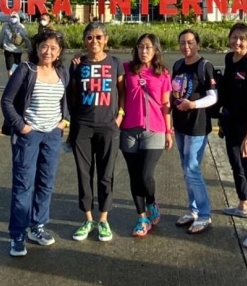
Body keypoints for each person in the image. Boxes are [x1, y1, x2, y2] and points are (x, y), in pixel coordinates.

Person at [1, 30, 70, 257]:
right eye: (44, 46)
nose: (48, 51)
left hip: (52, 135)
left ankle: (38, 226)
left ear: (59, 52)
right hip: (28, 136)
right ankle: (18, 235)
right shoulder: (25, 70)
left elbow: (66, 99)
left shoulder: (61, 72)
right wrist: (21, 126)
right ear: (36, 47)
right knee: (23, 186)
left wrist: (64, 121)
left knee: (45, 183)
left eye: (53, 48)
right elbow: (7, 101)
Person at [67, 21, 124, 242]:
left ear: (106, 39)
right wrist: (71, 120)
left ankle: (103, 220)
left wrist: (120, 115)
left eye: (99, 37)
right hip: (83, 126)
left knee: (106, 174)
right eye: (90, 37)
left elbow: (122, 92)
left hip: (108, 126)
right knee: (84, 174)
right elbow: (71, 95)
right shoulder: (77, 64)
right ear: (84, 40)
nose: (94, 41)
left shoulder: (115, 64)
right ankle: (88, 218)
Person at [218, 22, 247, 249]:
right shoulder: (230, 59)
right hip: (231, 123)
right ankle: (243, 205)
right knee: (236, 165)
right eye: (234, 37)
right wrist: (222, 121)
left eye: (242, 39)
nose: (238, 42)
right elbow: (227, 92)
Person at [120, 33, 172, 237]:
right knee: (134, 176)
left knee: (145, 175)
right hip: (129, 130)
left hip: (155, 129)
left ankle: (151, 202)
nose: (144, 51)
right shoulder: (126, 69)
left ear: (156, 50)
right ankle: (142, 217)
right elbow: (105, 66)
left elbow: (166, 104)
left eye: (148, 47)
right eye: (141, 47)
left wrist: (169, 131)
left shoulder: (163, 73)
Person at [171, 29, 218, 234]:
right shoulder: (178, 65)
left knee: (192, 169)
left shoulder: (204, 66)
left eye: (190, 42)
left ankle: (205, 214)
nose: (186, 46)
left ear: (197, 43)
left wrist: (193, 105)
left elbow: (213, 97)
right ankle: (193, 211)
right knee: (186, 169)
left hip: (197, 126)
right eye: (182, 43)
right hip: (180, 125)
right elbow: (174, 92)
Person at [0, 11, 31, 77]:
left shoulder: (21, 27)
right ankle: (11, 82)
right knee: (10, 68)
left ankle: (16, 82)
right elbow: (1, 37)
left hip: (17, 50)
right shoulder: (5, 26)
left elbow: (26, 38)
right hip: (8, 49)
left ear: (18, 18)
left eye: (14, 17)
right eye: (12, 17)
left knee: (17, 68)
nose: (13, 18)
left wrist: (30, 49)